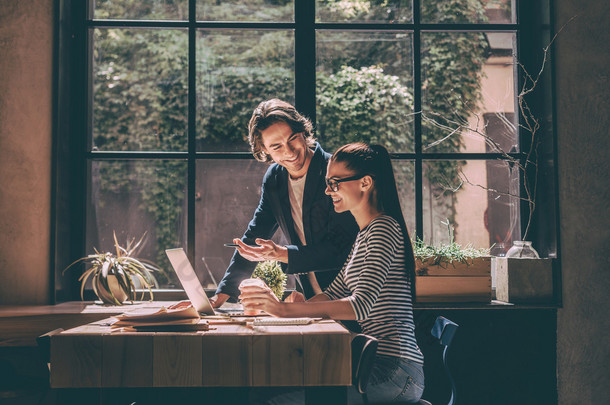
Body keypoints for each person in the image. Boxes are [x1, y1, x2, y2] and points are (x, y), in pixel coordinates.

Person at [240, 143, 425, 404]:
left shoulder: (384, 229)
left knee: (272, 401)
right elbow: (331, 294)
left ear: (365, 182)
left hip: (395, 371)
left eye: (335, 183)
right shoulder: (364, 234)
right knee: (264, 391)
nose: (328, 191)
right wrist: (284, 303)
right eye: (328, 183)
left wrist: (281, 311)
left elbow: (360, 306)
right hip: (375, 367)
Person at [210, 99, 359, 308]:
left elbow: (341, 250)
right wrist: (221, 294)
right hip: (312, 298)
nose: (289, 151)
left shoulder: (334, 172)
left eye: (293, 139)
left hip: (351, 295)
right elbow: (255, 237)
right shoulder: (275, 178)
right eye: (276, 147)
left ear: (303, 132)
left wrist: (280, 253)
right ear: (265, 151)